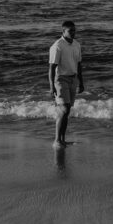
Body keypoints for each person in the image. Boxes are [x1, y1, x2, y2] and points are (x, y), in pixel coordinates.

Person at [49, 20, 84, 149]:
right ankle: (57, 140)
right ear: (63, 32)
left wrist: (81, 81)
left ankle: (63, 140)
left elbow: (79, 64)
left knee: (67, 110)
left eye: (74, 30)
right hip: (60, 79)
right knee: (63, 109)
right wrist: (52, 86)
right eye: (70, 31)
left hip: (73, 78)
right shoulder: (57, 46)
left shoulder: (77, 44)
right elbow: (52, 68)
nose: (73, 33)